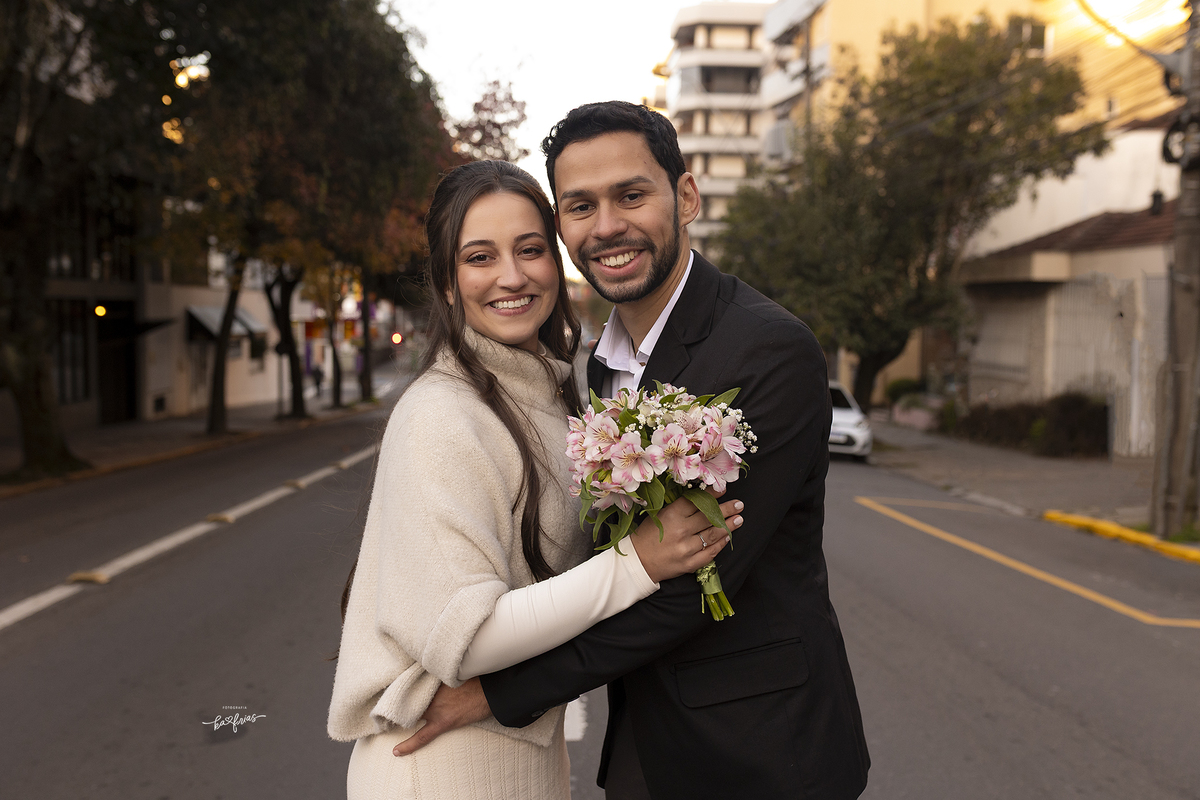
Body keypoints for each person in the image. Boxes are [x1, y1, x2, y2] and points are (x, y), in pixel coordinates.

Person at [395, 102, 871, 799]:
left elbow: (687, 589)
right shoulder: (601, 366)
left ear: (685, 196)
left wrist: (495, 693)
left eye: (631, 195)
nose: (607, 226)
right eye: (580, 206)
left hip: (763, 752)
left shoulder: (768, 348)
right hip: (648, 742)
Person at [326, 159, 742, 799]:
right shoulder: (442, 415)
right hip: (441, 770)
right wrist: (637, 564)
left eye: (529, 250)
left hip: (513, 757)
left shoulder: (546, 397)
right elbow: (466, 639)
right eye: (479, 257)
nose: (512, 277)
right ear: (445, 282)